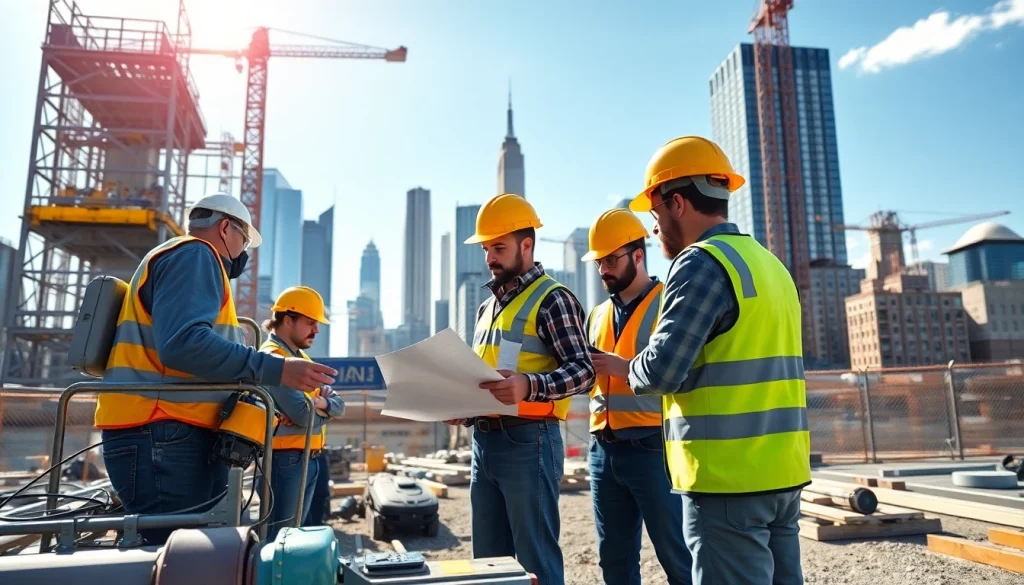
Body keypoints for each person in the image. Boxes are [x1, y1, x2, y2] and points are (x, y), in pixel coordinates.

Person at [95, 193, 338, 545]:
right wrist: (274, 369)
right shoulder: (196, 254)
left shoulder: (182, 258)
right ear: (225, 228)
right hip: (162, 428)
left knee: (187, 551)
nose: (243, 253)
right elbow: (184, 344)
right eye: (244, 241)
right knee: (177, 553)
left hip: (164, 430)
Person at [623, 136, 811, 585]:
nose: (654, 228)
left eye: (655, 214)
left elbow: (662, 370)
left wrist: (629, 367)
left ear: (677, 203)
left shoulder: (701, 263)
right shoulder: (770, 264)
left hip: (729, 481)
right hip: (783, 473)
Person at [447, 193, 596, 585]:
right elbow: (484, 380)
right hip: (484, 442)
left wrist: (529, 385)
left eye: (498, 248)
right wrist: (462, 407)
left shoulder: (553, 299)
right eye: (486, 249)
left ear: (526, 245)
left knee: (536, 561)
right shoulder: (486, 309)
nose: (489, 258)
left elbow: (584, 372)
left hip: (530, 442)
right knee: (489, 565)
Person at [582, 208, 692, 585]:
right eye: (599, 262)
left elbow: (681, 372)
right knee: (614, 561)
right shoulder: (596, 314)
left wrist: (623, 368)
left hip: (653, 446)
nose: (603, 270)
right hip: (603, 448)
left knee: (678, 555)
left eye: (611, 260)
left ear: (638, 255)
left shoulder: (668, 303)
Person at [259, 286, 345, 540]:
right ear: (288, 320)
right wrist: (322, 408)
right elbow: (304, 416)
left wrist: (322, 405)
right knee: (282, 539)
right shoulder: (274, 358)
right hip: (285, 459)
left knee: (297, 538)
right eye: (310, 323)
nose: (316, 330)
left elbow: (339, 404)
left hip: (306, 456)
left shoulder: (301, 359)